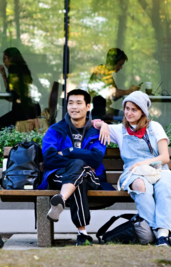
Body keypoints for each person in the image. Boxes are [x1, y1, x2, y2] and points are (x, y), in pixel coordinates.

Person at [94, 91, 171, 247]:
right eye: (127, 108)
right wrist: (104, 125)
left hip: (158, 170)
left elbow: (165, 157)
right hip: (133, 173)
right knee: (140, 185)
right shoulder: (120, 130)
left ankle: (161, 233)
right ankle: (161, 235)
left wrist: (144, 163)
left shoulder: (155, 128)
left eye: (134, 109)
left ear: (142, 112)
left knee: (166, 184)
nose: (129, 113)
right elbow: (94, 123)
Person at [42, 89, 115, 246]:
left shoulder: (97, 132)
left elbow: (96, 159)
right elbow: (49, 159)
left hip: (93, 178)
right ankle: (82, 234)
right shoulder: (55, 130)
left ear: (88, 106)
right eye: (70, 103)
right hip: (59, 176)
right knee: (78, 172)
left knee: (79, 170)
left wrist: (70, 152)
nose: (74, 107)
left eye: (78, 103)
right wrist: (80, 160)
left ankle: (61, 199)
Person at [88, 48, 140, 122]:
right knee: (129, 118)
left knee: (127, 114)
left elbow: (114, 96)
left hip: (105, 111)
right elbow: (115, 93)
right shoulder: (102, 72)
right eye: (120, 64)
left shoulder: (107, 73)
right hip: (100, 114)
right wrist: (130, 91)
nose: (121, 67)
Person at [0, 47, 41, 130]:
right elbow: (11, 92)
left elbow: (10, 95)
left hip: (23, 112)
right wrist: (4, 75)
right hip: (32, 109)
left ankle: (11, 141)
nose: (3, 61)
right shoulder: (23, 70)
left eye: (5, 58)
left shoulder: (14, 71)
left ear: (11, 58)